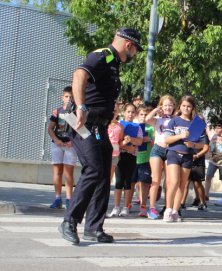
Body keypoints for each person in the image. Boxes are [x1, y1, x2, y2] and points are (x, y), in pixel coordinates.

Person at [59, 27, 143, 245]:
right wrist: (81, 106)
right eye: (136, 50)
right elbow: (79, 74)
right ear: (129, 45)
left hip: (100, 127)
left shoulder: (113, 62)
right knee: (94, 169)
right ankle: (69, 221)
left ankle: (94, 228)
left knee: (104, 174)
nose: (134, 55)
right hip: (81, 123)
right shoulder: (104, 54)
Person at [163, 95, 203, 222]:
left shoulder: (196, 123)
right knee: (173, 182)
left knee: (182, 184)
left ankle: (175, 211)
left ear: (192, 108)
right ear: (180, 106)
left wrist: (194, 145)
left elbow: (203, 144)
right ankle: (168, 210)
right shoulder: (174, 121)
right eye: (184, 105)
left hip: (188, 156)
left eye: (189, 106)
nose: (186, 108)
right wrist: (181, 135)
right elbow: (167, 140)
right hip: (174, 153)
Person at [145, 95, 176, 219]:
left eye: (170, 105)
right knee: (155, 180)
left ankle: (168, 207)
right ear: (161, 106)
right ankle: (152, 208)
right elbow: (146, 119)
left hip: (170, 150)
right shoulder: (157, 119)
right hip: (157, 149)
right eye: (165, 105)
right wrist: (156, 110)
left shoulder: (176, 119)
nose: (168, 107)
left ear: (174, 106)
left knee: (169, 181)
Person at [109, 103, 143, 217]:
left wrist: (131, 140)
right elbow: (117, 142)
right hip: (119, 154)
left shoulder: (137, 126)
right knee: (118, 181)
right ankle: (116, 206)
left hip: (132, 156)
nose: (130, 114)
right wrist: (126, 145)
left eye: (133, 112)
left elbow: (139, 141)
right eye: (128, 112)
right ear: (124, 112)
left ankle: (126, 206)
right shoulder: (119, 125)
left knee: (128, 182)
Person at [48, 86, 77, 209]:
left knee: (68, 173)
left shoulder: (76, 112)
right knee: (57, 171)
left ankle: (69, 199)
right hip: (57, 144)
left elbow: (81, 131)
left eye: (71, 97)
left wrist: (74, 142)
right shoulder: (57, 111)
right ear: (62, 98)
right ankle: (57, 198)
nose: (69, 99)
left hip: (70, 145)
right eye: (66, 96)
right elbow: (50, 128)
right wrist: (56, 140)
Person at [133, 105, 154, 217]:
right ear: (137, 115)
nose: (143, 117)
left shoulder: (150, 128)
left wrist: (148, 139)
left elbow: (154, 144)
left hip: (146, 158)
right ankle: (127, 205)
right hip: (134, 157)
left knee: (144, 182)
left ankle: (143, 206)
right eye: (141, 114)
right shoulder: (133, 126)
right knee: (133, 183)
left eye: (145, 115)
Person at [204, 122, 222, 202]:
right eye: (216, 128)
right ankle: (206, 195)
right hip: (213, 160)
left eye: (219, 128)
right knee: (208, 177)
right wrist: (210, 154)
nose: (217, 130)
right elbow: (210, 146)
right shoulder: (214, 136)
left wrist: (219, 156)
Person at [108, 102, 124, 185]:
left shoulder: (120, 126)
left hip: (114, 154)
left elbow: (120, 141)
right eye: (112, 109)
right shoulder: (104, 123)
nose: (113, 112)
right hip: (103, 152)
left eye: (115, 110)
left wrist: (125, 141)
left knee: (109, 177)